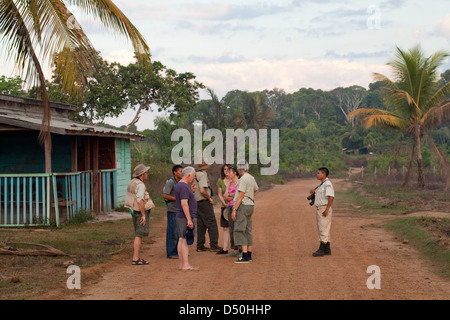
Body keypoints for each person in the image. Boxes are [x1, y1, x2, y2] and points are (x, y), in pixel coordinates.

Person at [231, 160, 259, 263]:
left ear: (239, 169)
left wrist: (234, 209)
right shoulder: (251, 177)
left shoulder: (243, 179)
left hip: (243, 205)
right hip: (250, 205)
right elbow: (256, 190)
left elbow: (241, 195)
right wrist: (250, 197)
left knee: (240, 229)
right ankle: (249, 254)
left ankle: (245, 255)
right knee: (248, 229)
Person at [125, 163, 151, 265]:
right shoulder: (140, 185)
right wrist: (143, 215)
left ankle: (136, 257)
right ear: (142, 174)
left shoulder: (132, 182)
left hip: (133, 211)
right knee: (139, 235)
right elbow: (140, 200)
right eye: (146, 172)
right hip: (139, 212)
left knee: (137, 234)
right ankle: (135, 258)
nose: (147, 174)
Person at [193, 160, 221, 252]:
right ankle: (214, 245)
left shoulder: (195, 174)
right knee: (211, 222)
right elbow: (202, 190)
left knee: (201, 224)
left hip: (196, 202)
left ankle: (200, 245)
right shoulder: (203, 175)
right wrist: (209, 198)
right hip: (204, 201)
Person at [175, 166, 199, 271]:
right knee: (184, 239)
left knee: (181, 239)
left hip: (180, 216)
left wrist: (191, 191)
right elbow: (184, 204)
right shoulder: (184, 187)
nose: (193, 178)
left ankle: (182, 264)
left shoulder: (180, 185)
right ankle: (185, 264)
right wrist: (189, 219)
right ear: (188, 175)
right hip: (184, 217)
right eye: (193, 176)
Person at [309, 167, 335, 257]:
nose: (317, 174)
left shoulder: (327, 184)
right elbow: (323, 196)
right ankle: (327, 249)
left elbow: (331, 197)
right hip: (320, 208)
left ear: (323, 174)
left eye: (318, 173)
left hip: (324, 208)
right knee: (324, 228)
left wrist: (327, 209)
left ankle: (321, 249)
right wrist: (314, 194)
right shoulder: (322, 184)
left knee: (323, 228)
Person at [163, 165, 183, 259]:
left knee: (179, 231)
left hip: (179, 210)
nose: (181, 173)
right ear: (175, 172)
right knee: (172, 231)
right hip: (172, 210)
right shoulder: (170, 182)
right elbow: (165, 195)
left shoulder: (180, 182)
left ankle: (177, 251)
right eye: (180, 171)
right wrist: (176, 199)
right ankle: (171, 252)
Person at [224, 165, 240, 257]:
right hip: (230, 207)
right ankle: (235, 249)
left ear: (234, 173)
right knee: (232, 228)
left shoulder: (240, 183)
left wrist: (230, 195)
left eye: (229, 172)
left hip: (236, 206)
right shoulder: (229, 184)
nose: (227, 173)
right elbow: (225, 196)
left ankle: (241, 248)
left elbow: (239, 194)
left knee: (238, 227)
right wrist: (232, 195)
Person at [216, 164, 231, 255]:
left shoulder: (236, 180)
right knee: (225, 228)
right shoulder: (220, 181)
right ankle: (225, 248)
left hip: (234, 206)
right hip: (224, 207)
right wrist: (224, 203)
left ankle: (239, 247)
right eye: (224, 169)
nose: (226, 171)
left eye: (228, 169)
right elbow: (220, 194)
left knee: (235, 227)